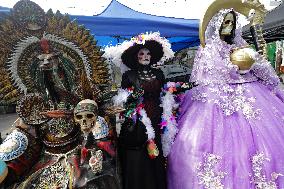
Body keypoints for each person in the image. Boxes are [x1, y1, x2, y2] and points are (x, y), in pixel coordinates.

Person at [168, 5, 284, 189]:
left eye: (232, 22)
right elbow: (212, 73)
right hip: (216, 100)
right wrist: (235, 65)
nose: (228, 26)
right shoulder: (208, 49)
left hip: (252, 94)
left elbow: (262, 67)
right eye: (225, 21)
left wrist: (253, 62)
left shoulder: (241, 45)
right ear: (217, 23)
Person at [106, 32, 174, 189]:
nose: (145, 56)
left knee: (157, 151)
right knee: (140, 154)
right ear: (136, 56)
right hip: (138, 121)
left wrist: (176, 88)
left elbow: (164, 93)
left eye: (148, 53)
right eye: (141, 53)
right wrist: (132, 98)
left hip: (157, 117)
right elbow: (125, 101)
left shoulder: (158, 73)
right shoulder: (129, 76)